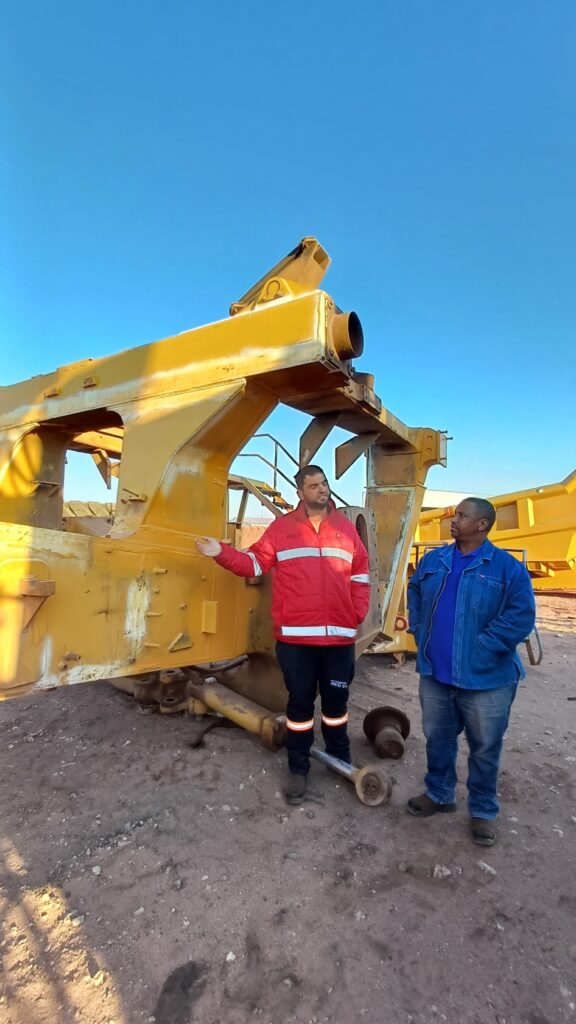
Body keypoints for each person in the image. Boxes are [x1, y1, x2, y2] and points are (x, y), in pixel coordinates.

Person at [196, 465, 371, 804]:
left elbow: (360, 574)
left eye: (324, 484)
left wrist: (357, 613)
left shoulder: (345, 530)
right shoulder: (282, 529)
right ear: (300, 493)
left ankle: (339, 758)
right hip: (296, 641)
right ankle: (298, 768)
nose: (322, 490)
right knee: (300, 705)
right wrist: (221, 553)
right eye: (314, 486)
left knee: (337, 704)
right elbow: (254, 564)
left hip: (338, 640)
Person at [406, 497, 535, 846]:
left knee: (484, 747)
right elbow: (415, 588)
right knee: (438, 739)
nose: (454, 518)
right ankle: (439, 793)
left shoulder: (507, 568)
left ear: (481, 524)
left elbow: (521, 615)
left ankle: (482, 809)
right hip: (435, 674)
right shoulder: (435, 560)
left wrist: (484, 647)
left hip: (486, 680)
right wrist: (419, 629)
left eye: (462, 515)